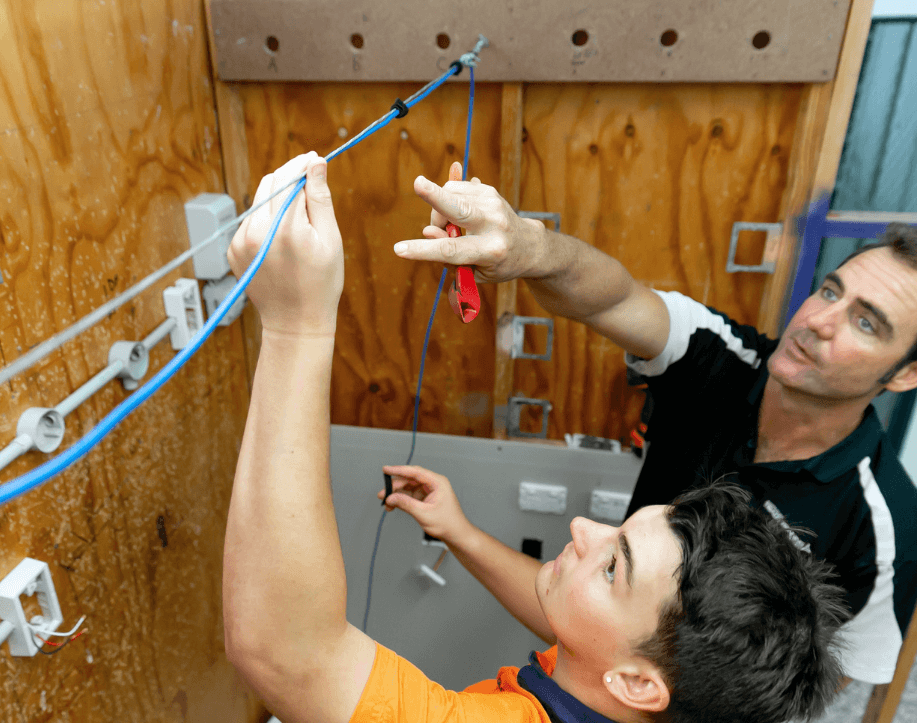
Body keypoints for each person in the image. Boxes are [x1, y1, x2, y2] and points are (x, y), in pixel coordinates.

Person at [222, 152, 847, 723]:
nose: (583, 529)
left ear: (637, 685)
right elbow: (593, 619)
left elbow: (286, 653)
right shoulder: (633, 686)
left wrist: (295, 326)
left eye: (612, 565)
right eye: (620, 532)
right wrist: (459, 532)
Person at [391, 165, 917, 684]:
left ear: (906, 373)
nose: (817, 321)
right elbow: (613, 296)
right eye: (830, 291)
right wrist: (531, 249)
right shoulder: (721, 356)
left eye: (865, 322)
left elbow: (812, 694)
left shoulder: (888, 528)